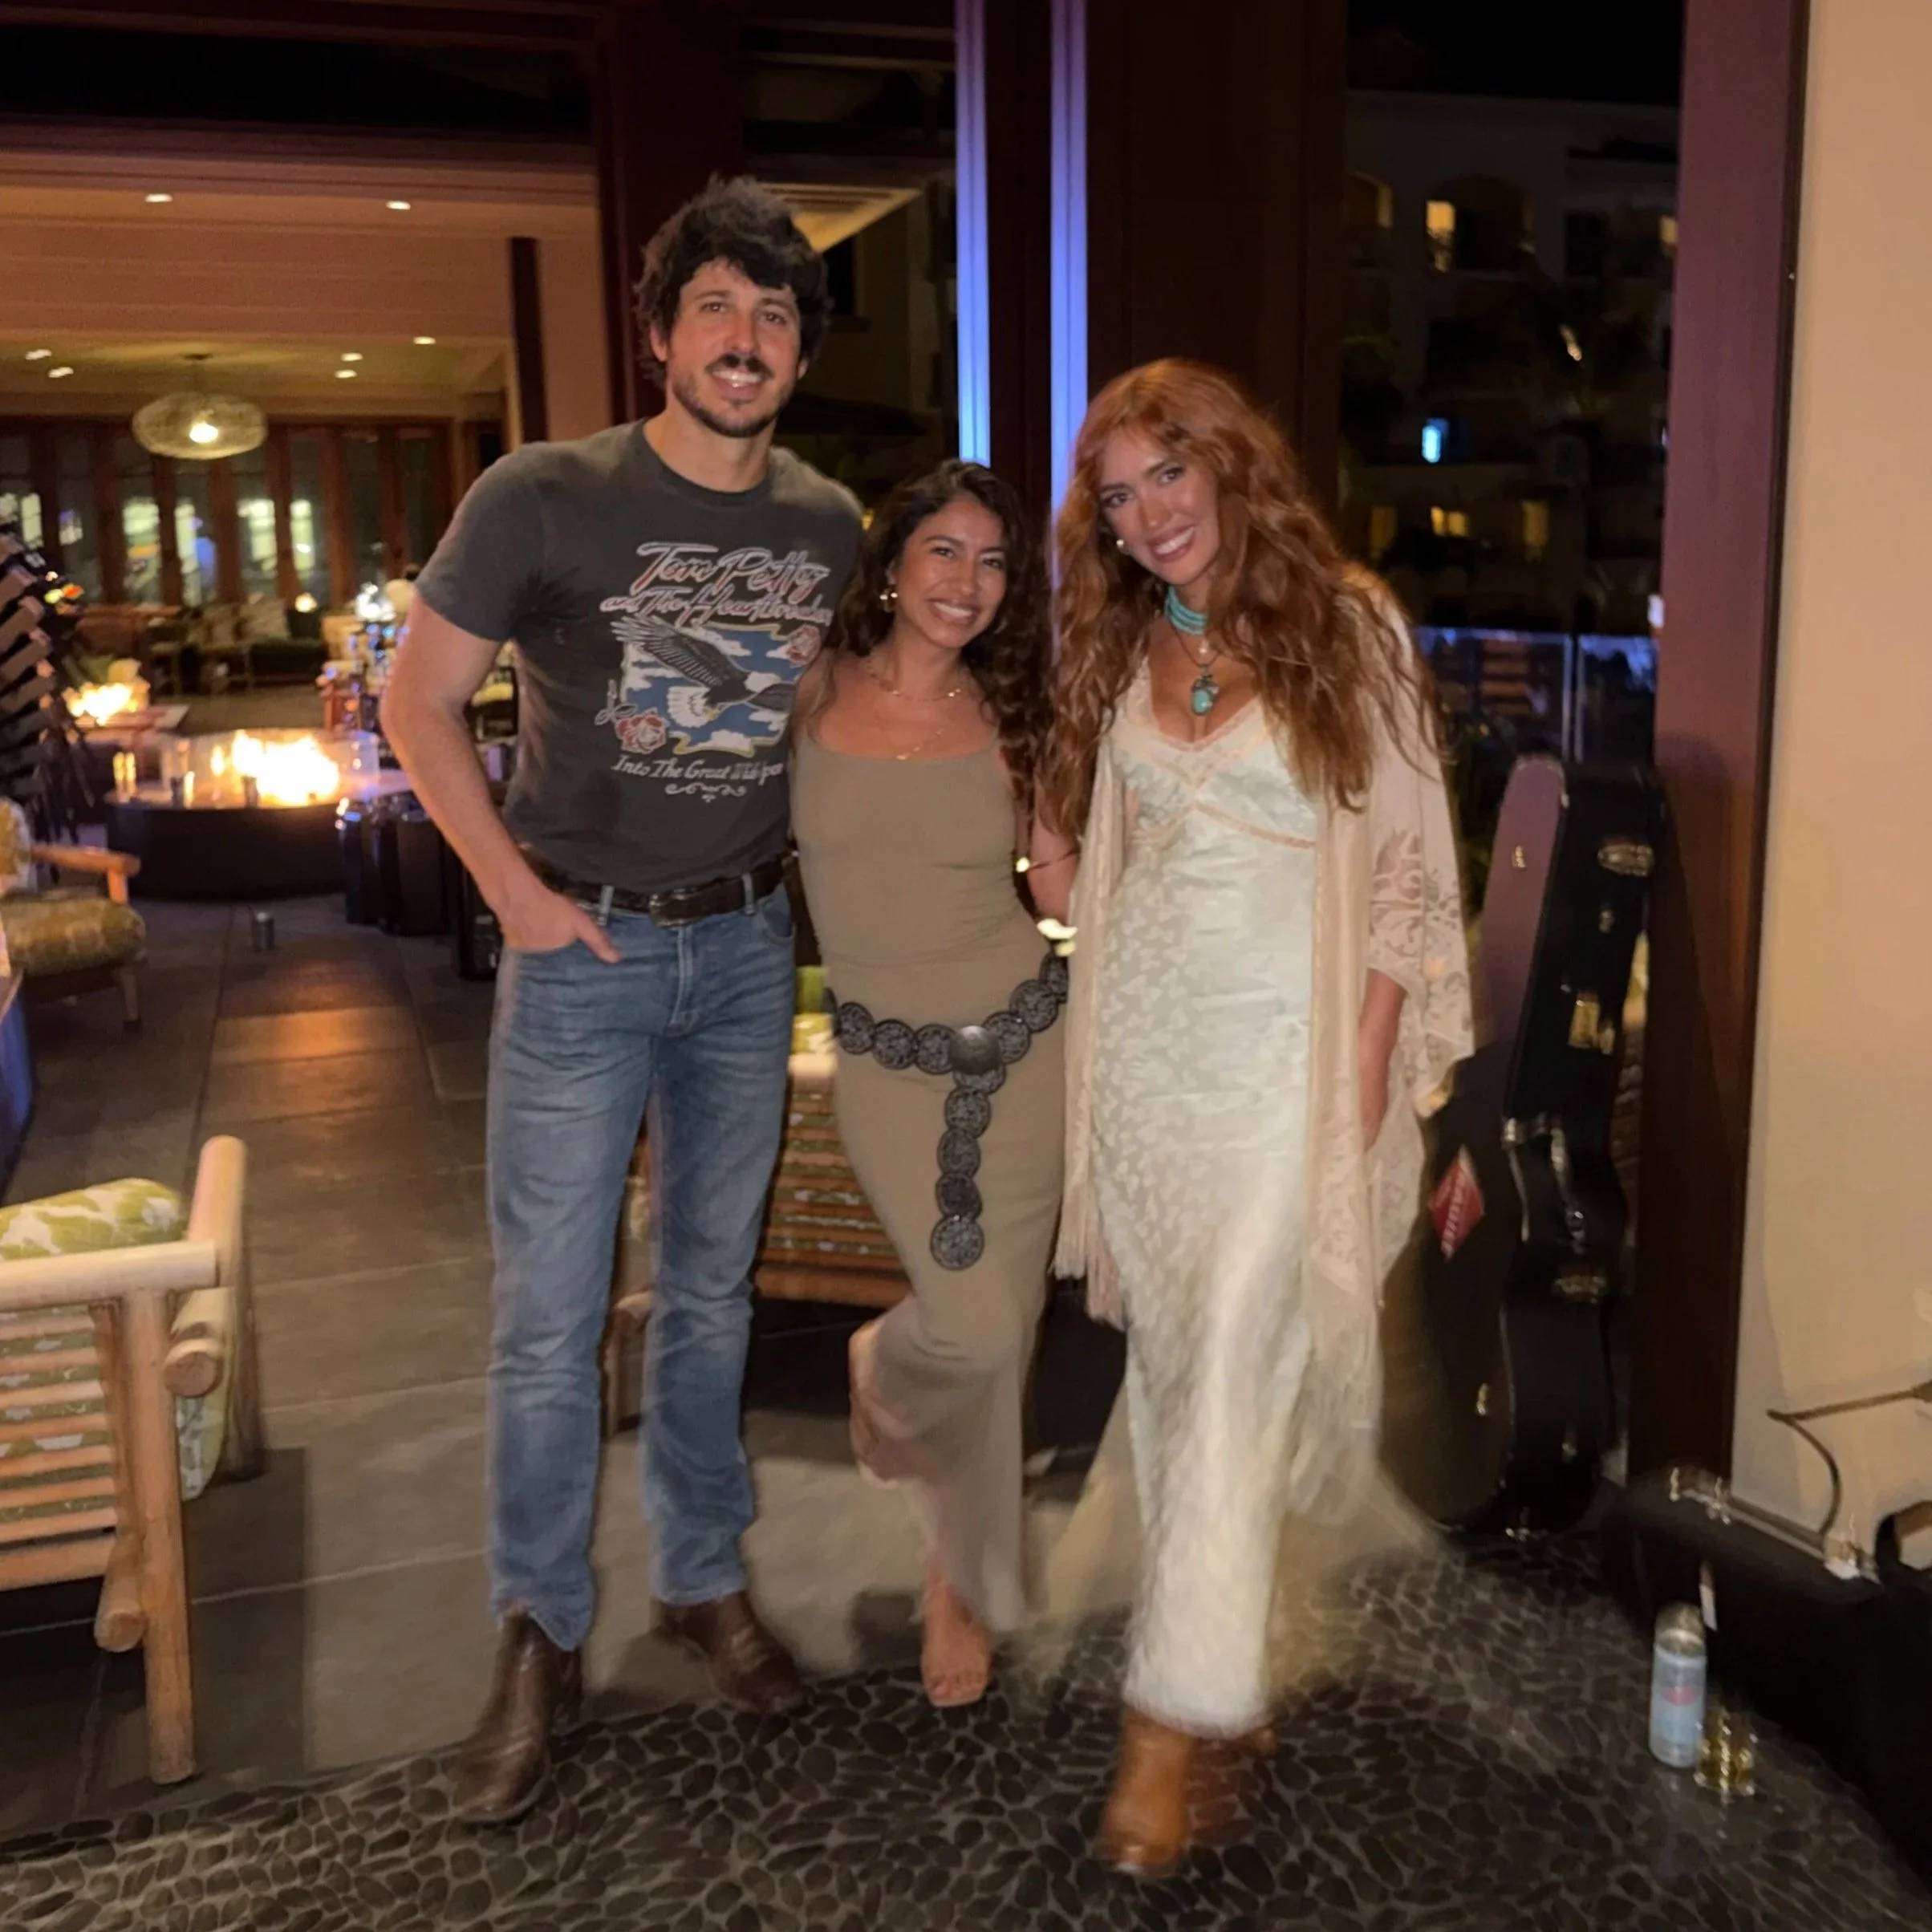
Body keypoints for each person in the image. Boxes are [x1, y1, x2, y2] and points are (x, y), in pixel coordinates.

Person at [381, 177, 862, 1824]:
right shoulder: (543, 494)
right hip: (581, 949)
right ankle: (539, 1628)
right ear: (661, 334)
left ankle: (700, 1575)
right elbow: (419, 697)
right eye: (718, 309)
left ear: (799, 357)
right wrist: (512, 893)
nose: (747, 339)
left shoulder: (826, 522)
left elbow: (808, 713)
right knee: (547, 1320)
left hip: (741, 952)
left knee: (714, 1293)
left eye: (778, 316)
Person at [1042, 359, 1473, 1874]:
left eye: (1170, 476)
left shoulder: (1349, 622)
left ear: (1230, 464)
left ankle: (1169, 1727)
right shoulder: (1120, 646)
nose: (1150, 516)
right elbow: (1103, 872)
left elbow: (1410, 862)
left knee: (1233, 1358)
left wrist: (1371, 1059)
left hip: (1291, 1066)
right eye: (1119, 495)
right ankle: (1224, 1694)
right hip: (1153, 1078)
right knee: (1182, 1384)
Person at [790, 459, 1072, 1707]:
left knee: (1005, 1337)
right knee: (966, 1327)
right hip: (890, 1075)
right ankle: (884, 1368)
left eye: (996, 562)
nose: (968, 583)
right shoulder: (806, 694)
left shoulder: (1019, 720)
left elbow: (1066, 894)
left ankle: (962, 1584)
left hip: (1024, 1054)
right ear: (892, 563)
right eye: (945, 553)